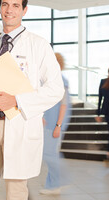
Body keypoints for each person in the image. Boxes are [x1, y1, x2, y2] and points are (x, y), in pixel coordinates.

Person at [0, 0, 64, 200]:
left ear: (24, 10)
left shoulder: (38, 45)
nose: (9, 10)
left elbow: (56, 89)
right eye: (5, 4)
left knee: (16, 192)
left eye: (15, 5)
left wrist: (17, 100)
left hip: (18, 124)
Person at [40, 53, 71, 195]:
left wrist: (58, 126)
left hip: (54, 124)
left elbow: (63, 105)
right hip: (50, 122)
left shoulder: (60, 80)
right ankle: (51, 185)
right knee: (50, 153)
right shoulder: (52, 79)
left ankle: (57, 184)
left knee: (49, 154)